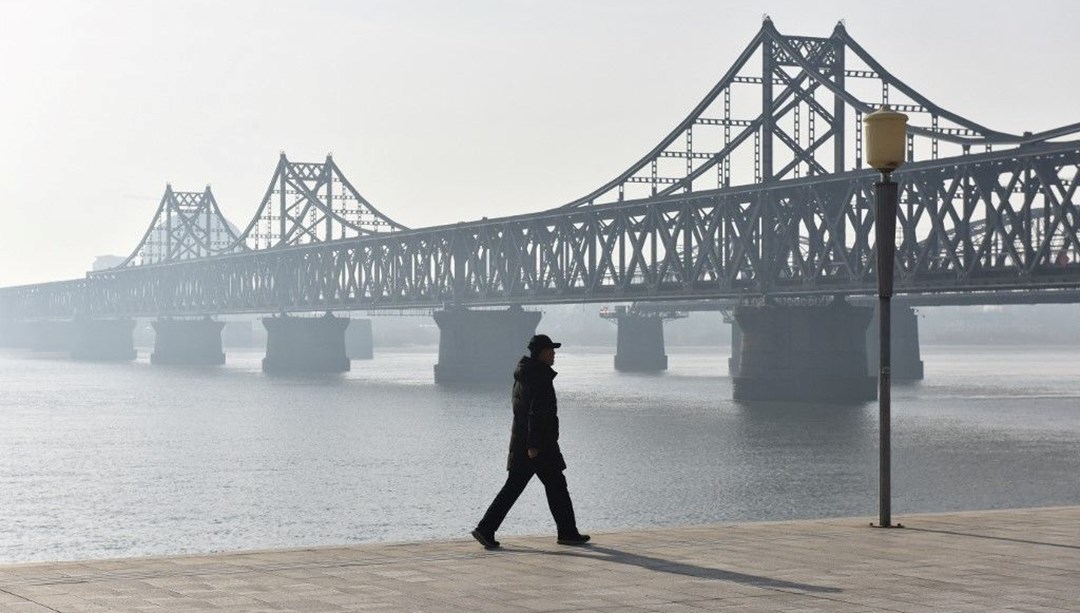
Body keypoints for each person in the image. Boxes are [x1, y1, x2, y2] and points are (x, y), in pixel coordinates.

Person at [471, 334, 590, 549]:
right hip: (539, 446)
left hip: (526, 442)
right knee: (544, 487)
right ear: (542, 353)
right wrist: (533, 446)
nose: (554, 354)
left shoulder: (524, 374)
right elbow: (536, 413)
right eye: (551, 350)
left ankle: (567, 532)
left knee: (546, 486)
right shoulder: (539, 377)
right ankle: (486, 528)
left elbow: (522, 411)